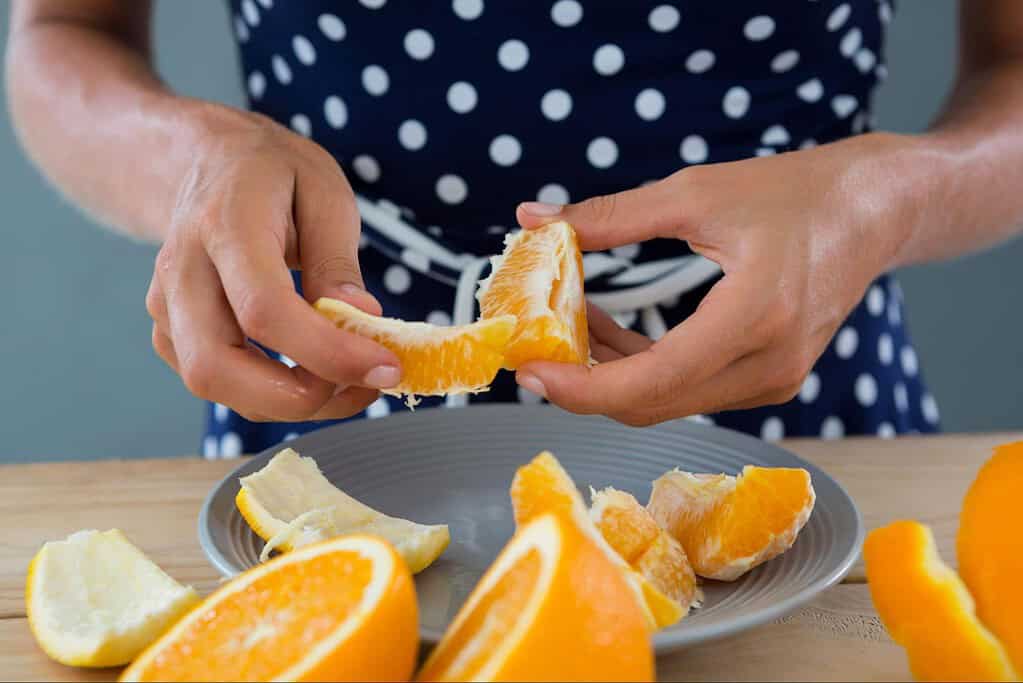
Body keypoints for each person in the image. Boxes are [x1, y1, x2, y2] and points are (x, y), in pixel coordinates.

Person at [7, 1, 1023, 458]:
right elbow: (62, 34)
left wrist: (883, 198)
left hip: (801, 412)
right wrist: (192, 163)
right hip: (327, 418)